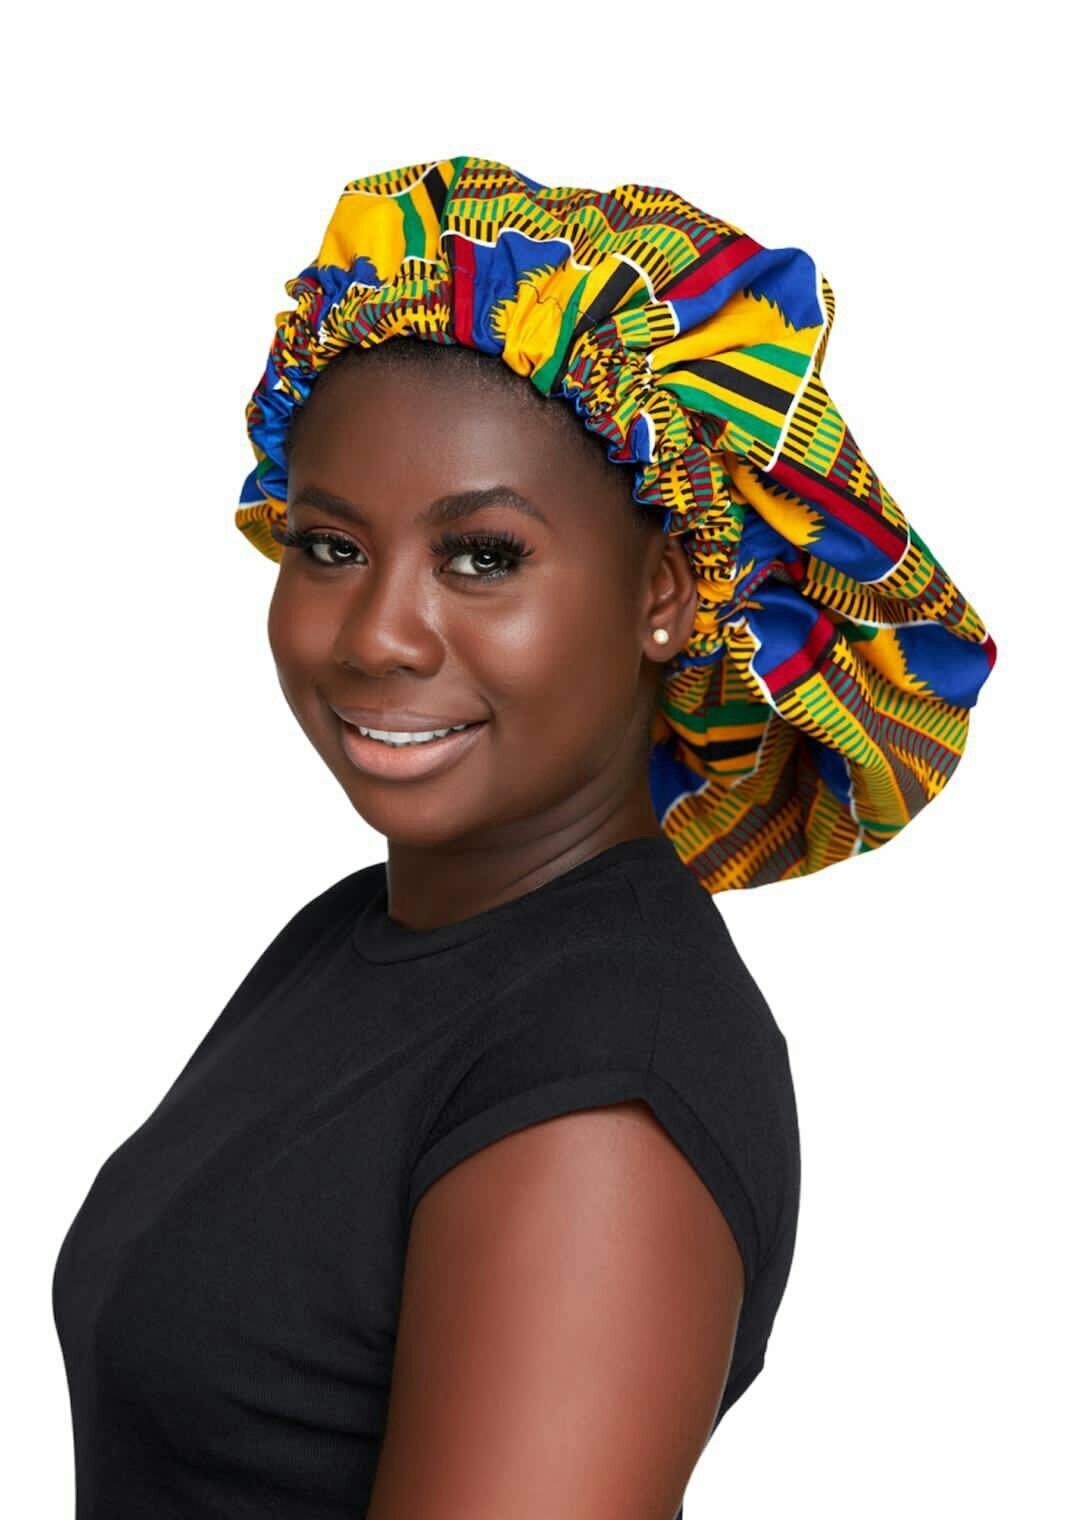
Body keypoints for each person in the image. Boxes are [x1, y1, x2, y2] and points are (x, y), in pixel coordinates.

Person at [51, 155, 997, 1519]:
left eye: (482, 556)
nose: (379, 635)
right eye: (330, 547)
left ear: (668, 589)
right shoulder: (356, 937)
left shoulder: (600, 1093)